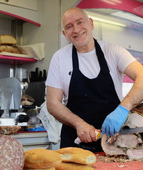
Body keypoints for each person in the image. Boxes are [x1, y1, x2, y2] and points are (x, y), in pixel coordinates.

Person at [46, 8, 143, 152]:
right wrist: (79, 124)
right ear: (64, 34)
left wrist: (123, 109)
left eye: (80, 22)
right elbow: (53, 103)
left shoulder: (113, 51)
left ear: (91, 24)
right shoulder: (59, 58)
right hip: (74, 144)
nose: (76, 29)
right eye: (69, 26)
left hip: (114, 142)